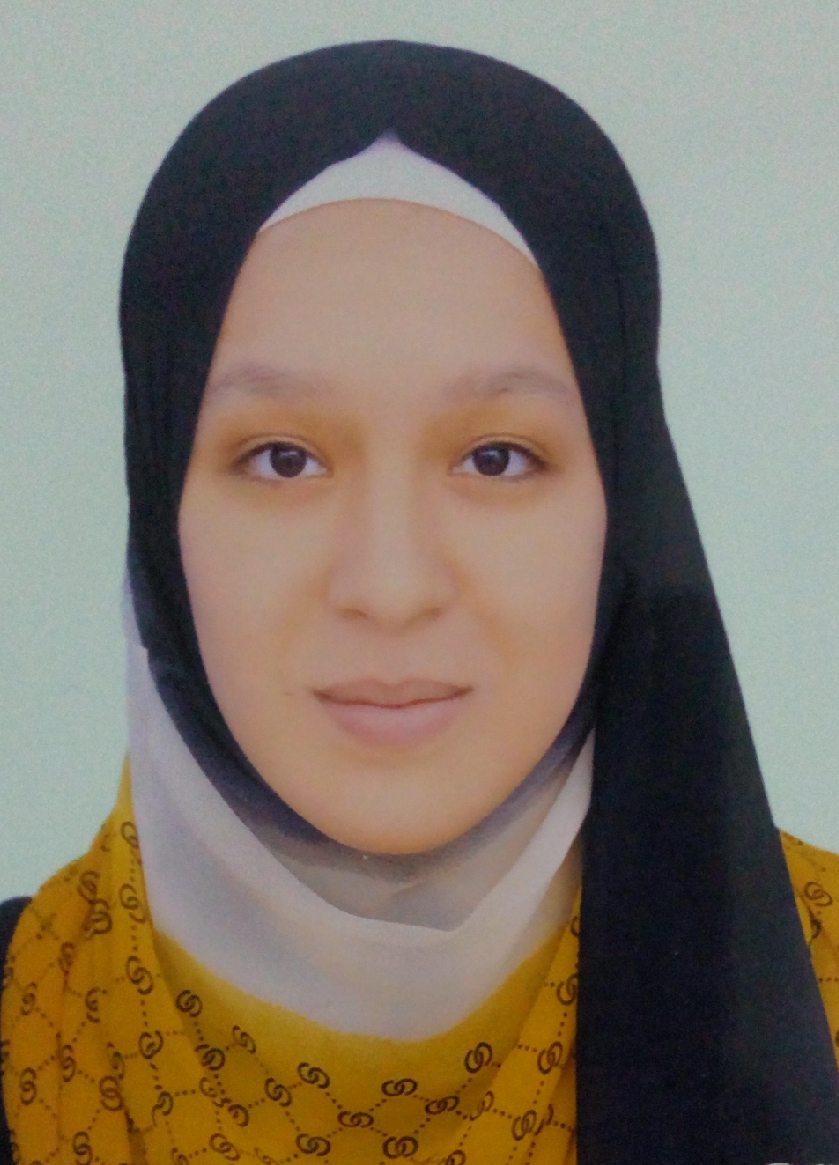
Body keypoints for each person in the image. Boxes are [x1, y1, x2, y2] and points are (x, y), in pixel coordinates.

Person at [1, 39, 838, 1165]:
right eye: (283, 458)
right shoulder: (24, 1020)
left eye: (495, 457)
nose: (389, 588)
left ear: (624, 508)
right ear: (162, 515)